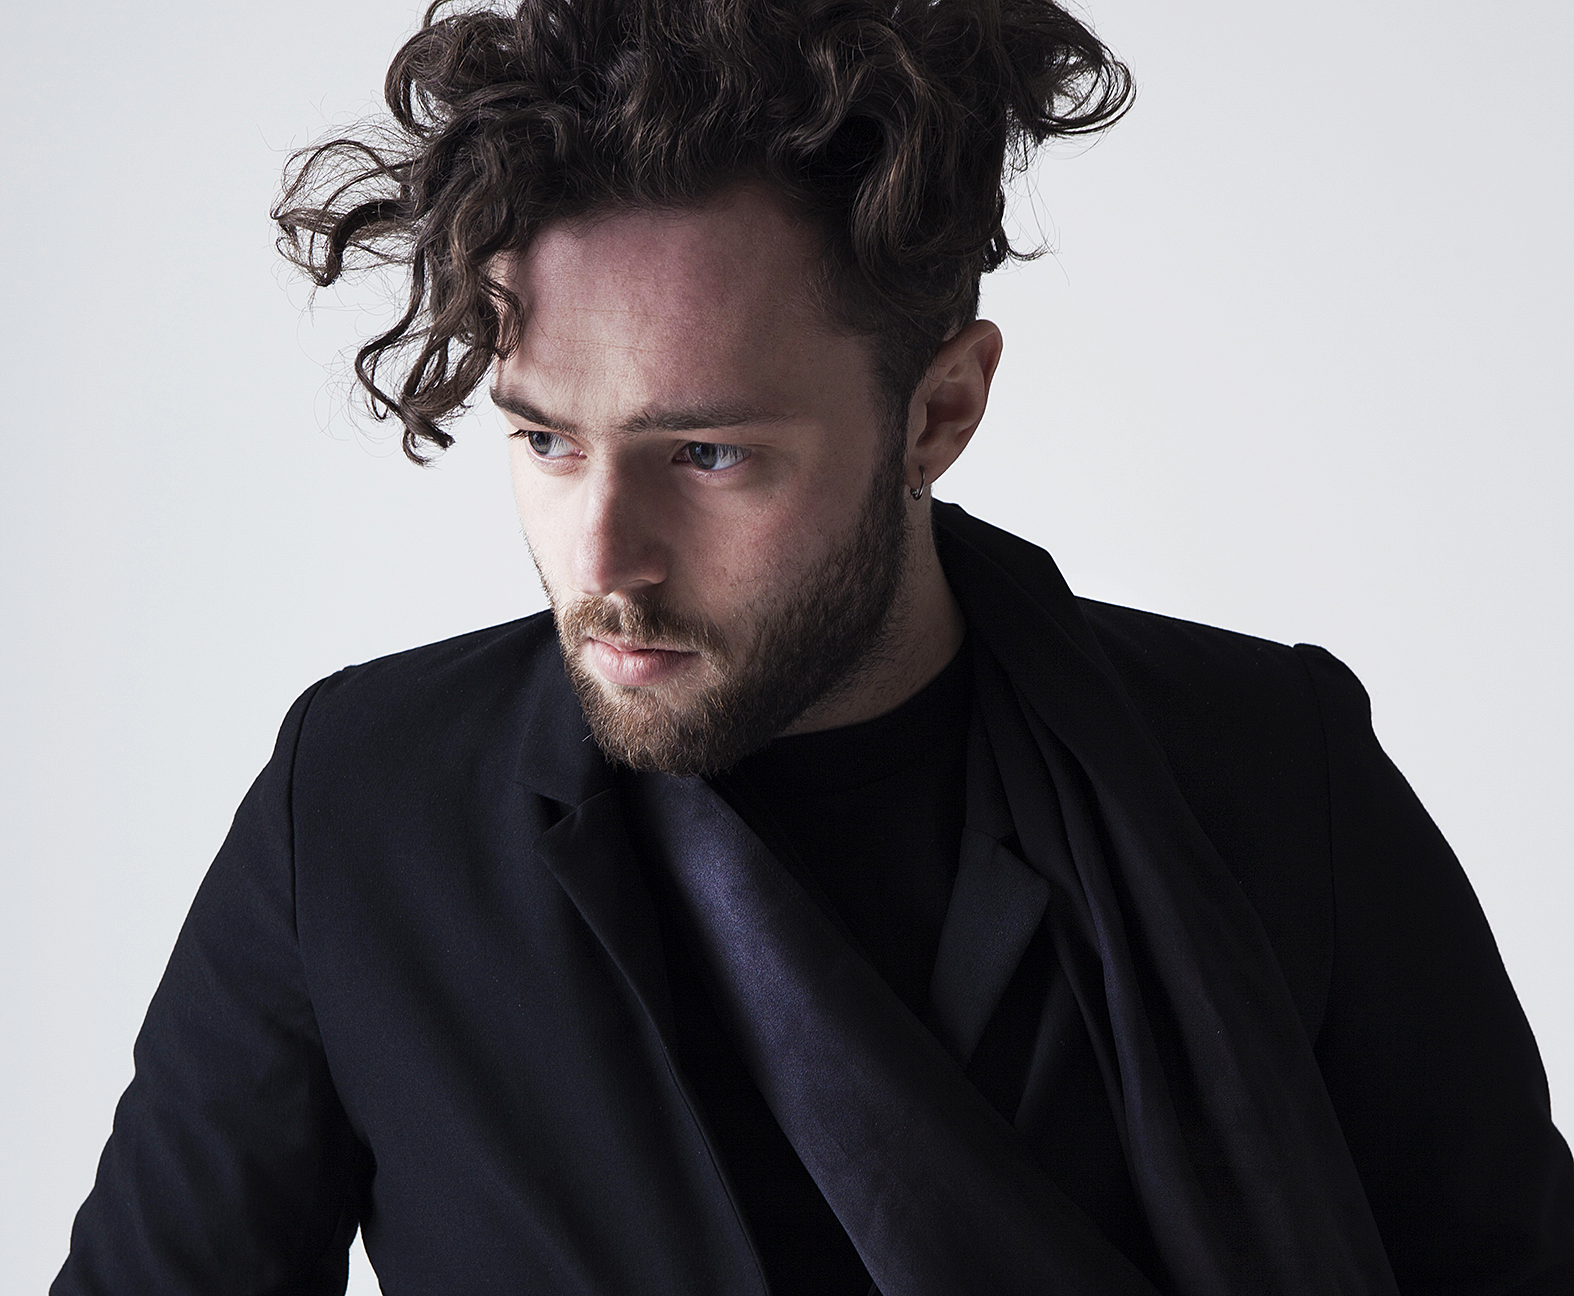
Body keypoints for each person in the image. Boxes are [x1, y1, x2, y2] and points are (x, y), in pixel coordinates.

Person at [53, 0, 1573, 1292]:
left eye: (706, 454)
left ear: (940, 412)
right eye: (545, 441)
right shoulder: (364, 809)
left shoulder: (1268, 767)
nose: (602, 564)